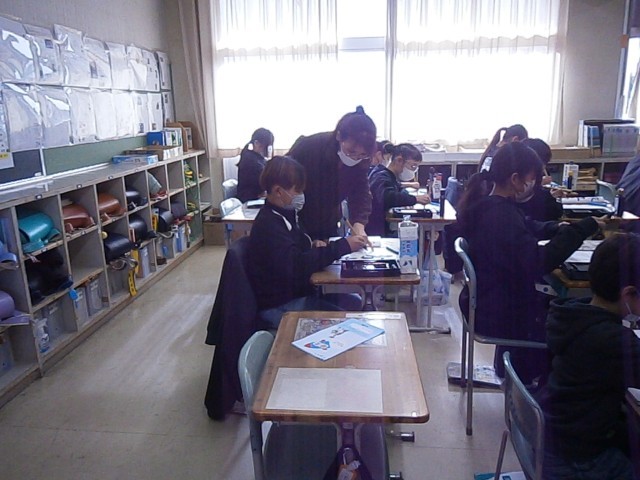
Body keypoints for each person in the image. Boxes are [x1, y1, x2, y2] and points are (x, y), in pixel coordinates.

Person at [457, 141, 602, 383]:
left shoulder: (490, 205)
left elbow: (526, 226)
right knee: (573, 324)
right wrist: (580, 230)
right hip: (500, 312)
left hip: (489, 301)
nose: (535, 184)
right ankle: (534, 388)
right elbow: (538, 262)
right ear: (515, 179)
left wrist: (555, 228)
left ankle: (515, 374)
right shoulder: (501, 215)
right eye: (533, 178)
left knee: (567, 309)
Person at [536, 233, 640, 480]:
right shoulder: (613, 341)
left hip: (553, 438)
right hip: (578, 459)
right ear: (628, 294)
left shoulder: (575, 313)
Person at [247, 155, 367, 329]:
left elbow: (294, 252)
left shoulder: (283, 215)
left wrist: (313, 245)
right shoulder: (269, 225)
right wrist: (344, 246)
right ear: (279, 191)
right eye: (297, 190)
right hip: (280, 304)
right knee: (349, 322)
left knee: (354, 302)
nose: (301, 196)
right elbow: (298, 266)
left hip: (293, 294)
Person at [287, 106, 376, 240]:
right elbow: (280, 175)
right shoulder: (310, 147)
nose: (355, 158)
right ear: (339, 136)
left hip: (328, 222)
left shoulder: (361, 162)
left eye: (362, 154)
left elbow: (361, 193)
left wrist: (359, 224)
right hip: (296, 219)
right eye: (351, 152)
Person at [367, 143, 431, 236]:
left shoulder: (386, 174)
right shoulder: (381, 176)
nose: (413, 170)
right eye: (413, 166)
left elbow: (395, 187)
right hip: (378, 230)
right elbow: (388, 197)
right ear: (399, 160)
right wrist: (415, 199)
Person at [517, 138, 564, 222]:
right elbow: (555, 212)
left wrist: (551, 196)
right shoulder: (524, 187)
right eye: (544, 163)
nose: (544, 167)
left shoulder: (535, 187)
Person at [236, 128, 274, 203]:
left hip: (255, 195)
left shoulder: (256, 157)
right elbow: (262, 181)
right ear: (256, 143)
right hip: (249, 198)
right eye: (266, 147)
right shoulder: (250, 160)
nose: (268, 150)